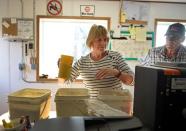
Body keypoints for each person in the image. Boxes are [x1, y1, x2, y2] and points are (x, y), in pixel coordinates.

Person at [58, 24, 134, 98]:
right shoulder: (82, 62)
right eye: (99, 40)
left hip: (115, 107)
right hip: (93, 109)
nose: (103, 43)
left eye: (105, 40)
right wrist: (62, 68)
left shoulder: (115, 57)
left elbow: (133, 81)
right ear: (91, 41)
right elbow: (64, 82)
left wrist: (116, 73)